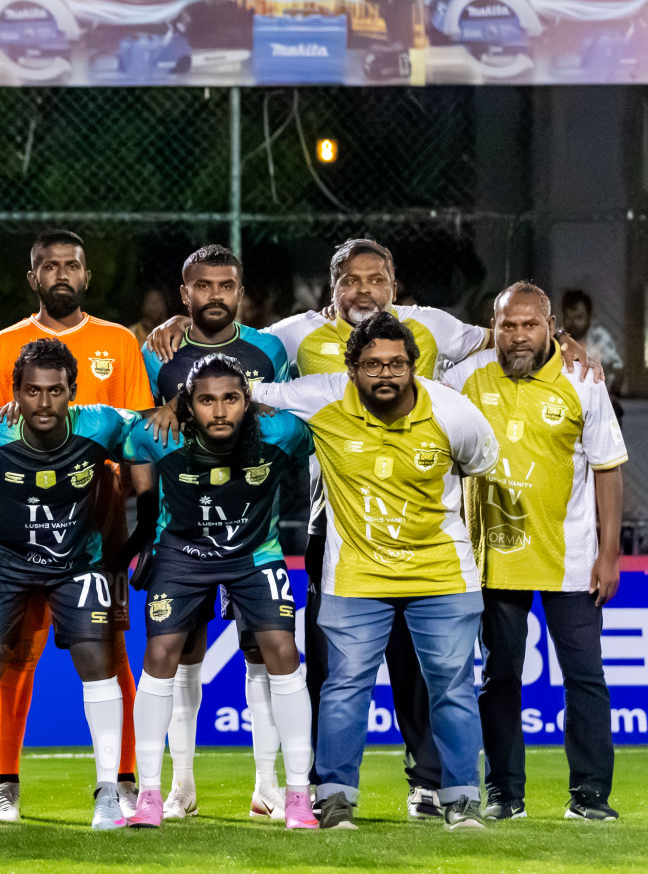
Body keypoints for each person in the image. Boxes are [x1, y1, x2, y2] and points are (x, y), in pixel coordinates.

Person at [143, 237, 592, 820]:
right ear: (333, 290)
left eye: (375, 279)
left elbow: (504, 337)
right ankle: (324, 792)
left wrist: (562, 342)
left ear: (394, 286)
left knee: (425, 672)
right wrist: (185, 334)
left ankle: (431, 784)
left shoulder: (433, 342)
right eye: (350, 280)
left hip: (428, 543)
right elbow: (235, 366)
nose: (363, 289)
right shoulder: (296, 341)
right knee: (334, 671)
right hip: (337, 526)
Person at [251, 311, 499, 830]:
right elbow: (250, 393)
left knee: (452, 686)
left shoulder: (452, 411)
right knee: (344, 687)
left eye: (397, 364)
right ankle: (336, 798)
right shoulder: (322, 395)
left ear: (413, 366)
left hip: (441, 574)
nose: (385, 374)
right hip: (357, 576)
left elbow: (481, 460)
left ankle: (461, 799)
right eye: (372, 365)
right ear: (351, 368)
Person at [0, 229, 153, 824]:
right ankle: (5, 781)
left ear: (86, 275)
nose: (61, 275)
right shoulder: (2, 348)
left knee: (109, 651)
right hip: (16, 522)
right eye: (49, 266)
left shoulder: (118, 342)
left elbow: (144, 430)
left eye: (71, 265)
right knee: (12, 655)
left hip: (95, 520)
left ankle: (121, 780)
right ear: (34, 278)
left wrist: (141, 518)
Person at [445, 283, 627, 821]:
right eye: (507, 325)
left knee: (585, 678)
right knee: (498, 677)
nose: (518, 335)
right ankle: (505, 795)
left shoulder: (582, 379)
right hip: (494, 561)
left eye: (529, 324)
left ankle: (590, 797)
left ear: (551, 326)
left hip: (571, 561)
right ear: (493, 328)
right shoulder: (464, 379)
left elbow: (608, 468)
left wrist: (610, 554)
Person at [123, 354, 317, 830]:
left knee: (282, 650)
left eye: (231, 398)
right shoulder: (156, 434)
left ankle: (296, 795)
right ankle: (153, 793)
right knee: (162, 652)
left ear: (246, 401)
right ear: (188, 406)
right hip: (182, 554)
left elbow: (324, 427)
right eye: (206, 400)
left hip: (255, 553)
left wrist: (267, 401)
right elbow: (130, 446)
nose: (220, 411)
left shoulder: (282, 433)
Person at [0, 338, 135, 830]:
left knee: (100, 664)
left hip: (77, 562)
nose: (44, 402)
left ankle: (108, 792)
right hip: (2, 560)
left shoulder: (101, 425)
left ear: (72, 391)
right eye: (32, 391)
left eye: (55, 391)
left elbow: (159, 434)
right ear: (15, 393)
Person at [139, 245, 292, 822]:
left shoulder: (270, 350)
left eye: (226, 285)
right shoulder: (161, 352)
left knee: (264, 656)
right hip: (182, 532)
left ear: (240, 291)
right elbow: (148, 437)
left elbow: (290, 421)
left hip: (255, 532)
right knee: (182, 658)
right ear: (186, 294)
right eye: (203, 287)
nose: (215, 296)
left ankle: (267, 785)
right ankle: (181, 787)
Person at [561, 289, 624, 415]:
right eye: (568, 317)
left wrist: (611, 394)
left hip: (597, 404)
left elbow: (618, 369)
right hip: (566, 404)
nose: (573, 323)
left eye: (579, 317)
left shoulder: (599, 338)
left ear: (589, 317)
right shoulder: (558, 340)